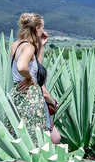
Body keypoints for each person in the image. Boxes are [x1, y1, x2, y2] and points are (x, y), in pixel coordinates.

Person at [7, 12, 58, 145]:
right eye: (42, 27)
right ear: (37, 29)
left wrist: (41, 46)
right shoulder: (28, 47)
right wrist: (29, 78)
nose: (43, 30)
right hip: (31, 97)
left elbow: (37, 69)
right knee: (37, 138)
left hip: (18, 94)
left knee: (22, 137)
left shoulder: (16, 45)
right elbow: (22, 67)